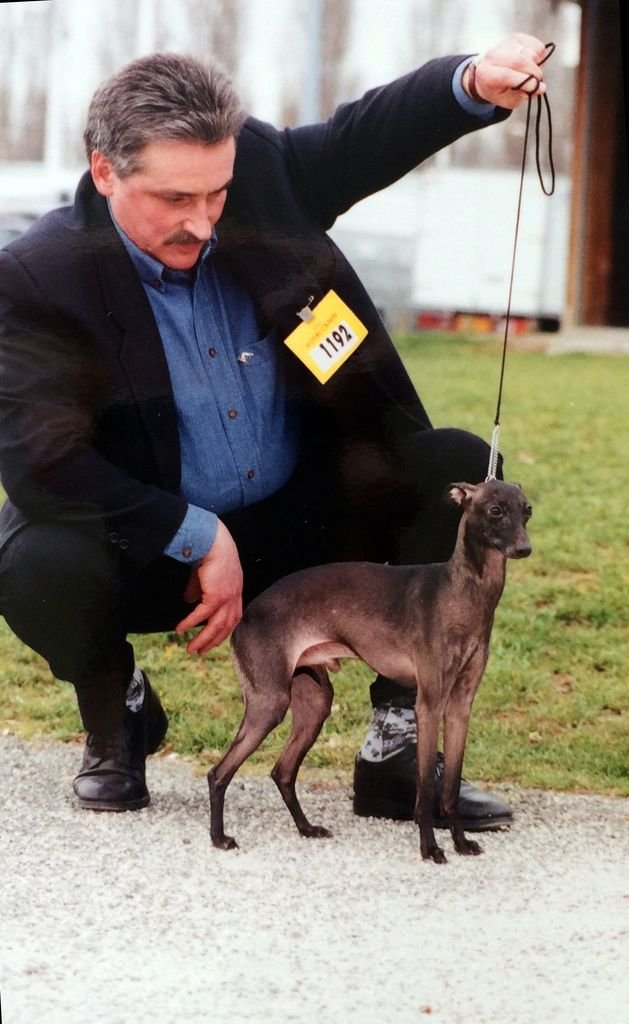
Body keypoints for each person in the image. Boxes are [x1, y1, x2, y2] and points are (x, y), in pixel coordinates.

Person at [0, 35, 547, 824]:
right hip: (158, 548)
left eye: (215, 194)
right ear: (105, 171)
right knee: (34, 563)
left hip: (308, 523)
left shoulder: (260, 176)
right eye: (174, 200)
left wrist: (467, 81)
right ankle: (116, 717)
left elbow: (361, 138)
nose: (202, 222)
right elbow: (41, 461)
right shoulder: (38, 277)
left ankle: (396, 751)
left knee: (454, 467)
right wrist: (195, 535)